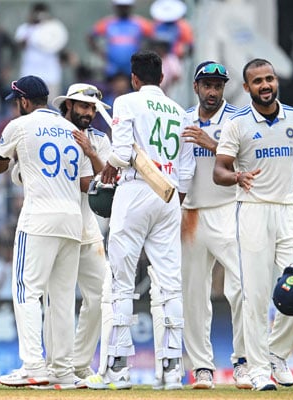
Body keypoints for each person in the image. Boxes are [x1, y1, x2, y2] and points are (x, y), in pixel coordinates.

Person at [87, 50, 195, 390]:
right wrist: (170, 200)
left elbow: (120, 154)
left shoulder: (126, 102)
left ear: (134, 78)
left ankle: (116, 370)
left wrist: (109, 166)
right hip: (169, 194)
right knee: (169, 283)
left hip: (135, 190)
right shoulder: (180, 112)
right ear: (161, 78)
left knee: (120, 281)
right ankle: (171, 372)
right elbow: (188, 171)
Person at [212, 58, 293, 391]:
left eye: (270, 79)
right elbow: (220, 170)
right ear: (247, 88)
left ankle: (277, 355)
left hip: (289, 210)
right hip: (252, 210)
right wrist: (236, 176)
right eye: (258, 81)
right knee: (253, 295)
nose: (266, 85)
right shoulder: (238, 124)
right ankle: (256, 369)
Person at [0, 75, 93, 389]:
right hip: (72, 219)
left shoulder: (19, 126)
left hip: (39, 218)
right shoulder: (72, 129)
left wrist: (18, 163)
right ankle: (62, 371)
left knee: (26, 291)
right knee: (62, 298)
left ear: (24, 101)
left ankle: (34, 365)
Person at [180, 61, 250, 390]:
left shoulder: (238, 119)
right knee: (193, 295)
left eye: (218, 85)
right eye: (207, 84)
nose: (212, 91)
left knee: (243, 289)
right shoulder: (182, 120)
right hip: (191, 214)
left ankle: (244, 362)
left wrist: (213, 144)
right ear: (196, 87)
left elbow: (251, 164)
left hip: (228, 209)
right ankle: (202, 367)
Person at [41, 83, 112, 384]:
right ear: (67, 105)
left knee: (102, 295)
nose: (89, 113)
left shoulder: (100, 138)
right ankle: (54, 366)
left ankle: (80, 363)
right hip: (56, 226)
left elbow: (106, 178)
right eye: (83, 106)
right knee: (56, 299)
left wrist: (90, 151)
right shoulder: (51, 131)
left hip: (86, 227)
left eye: (93, 108)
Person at [14, 3, 68, 99]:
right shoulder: (25, 28)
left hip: (51, 76)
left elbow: (60, 45)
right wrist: (32, 26)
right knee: (29, 103)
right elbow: (20, 44)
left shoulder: (54, 28)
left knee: (51, 105)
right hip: (29, 75)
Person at [88, 0, 153, 79]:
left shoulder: (139, 23)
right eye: (120, 7)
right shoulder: (108, 23)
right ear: (115, 7)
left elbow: (153, 38)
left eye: (125, 7)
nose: (123, 9)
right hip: (112, 69)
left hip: (133, 69)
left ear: (131, 7)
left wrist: (144, 54)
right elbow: (91, 36)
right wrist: (101, 54)